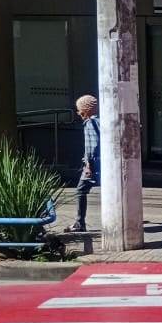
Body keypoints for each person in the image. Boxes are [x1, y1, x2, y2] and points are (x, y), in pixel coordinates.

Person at [65, 94, 100, 233]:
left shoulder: (90, 123)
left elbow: (92, 145)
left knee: (80, 190)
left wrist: (88, 165)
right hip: (103, 163)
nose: (78, 112)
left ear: (86, 109)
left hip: (94, 165)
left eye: (80, 109)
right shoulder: (101, 121)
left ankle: (80, 223)